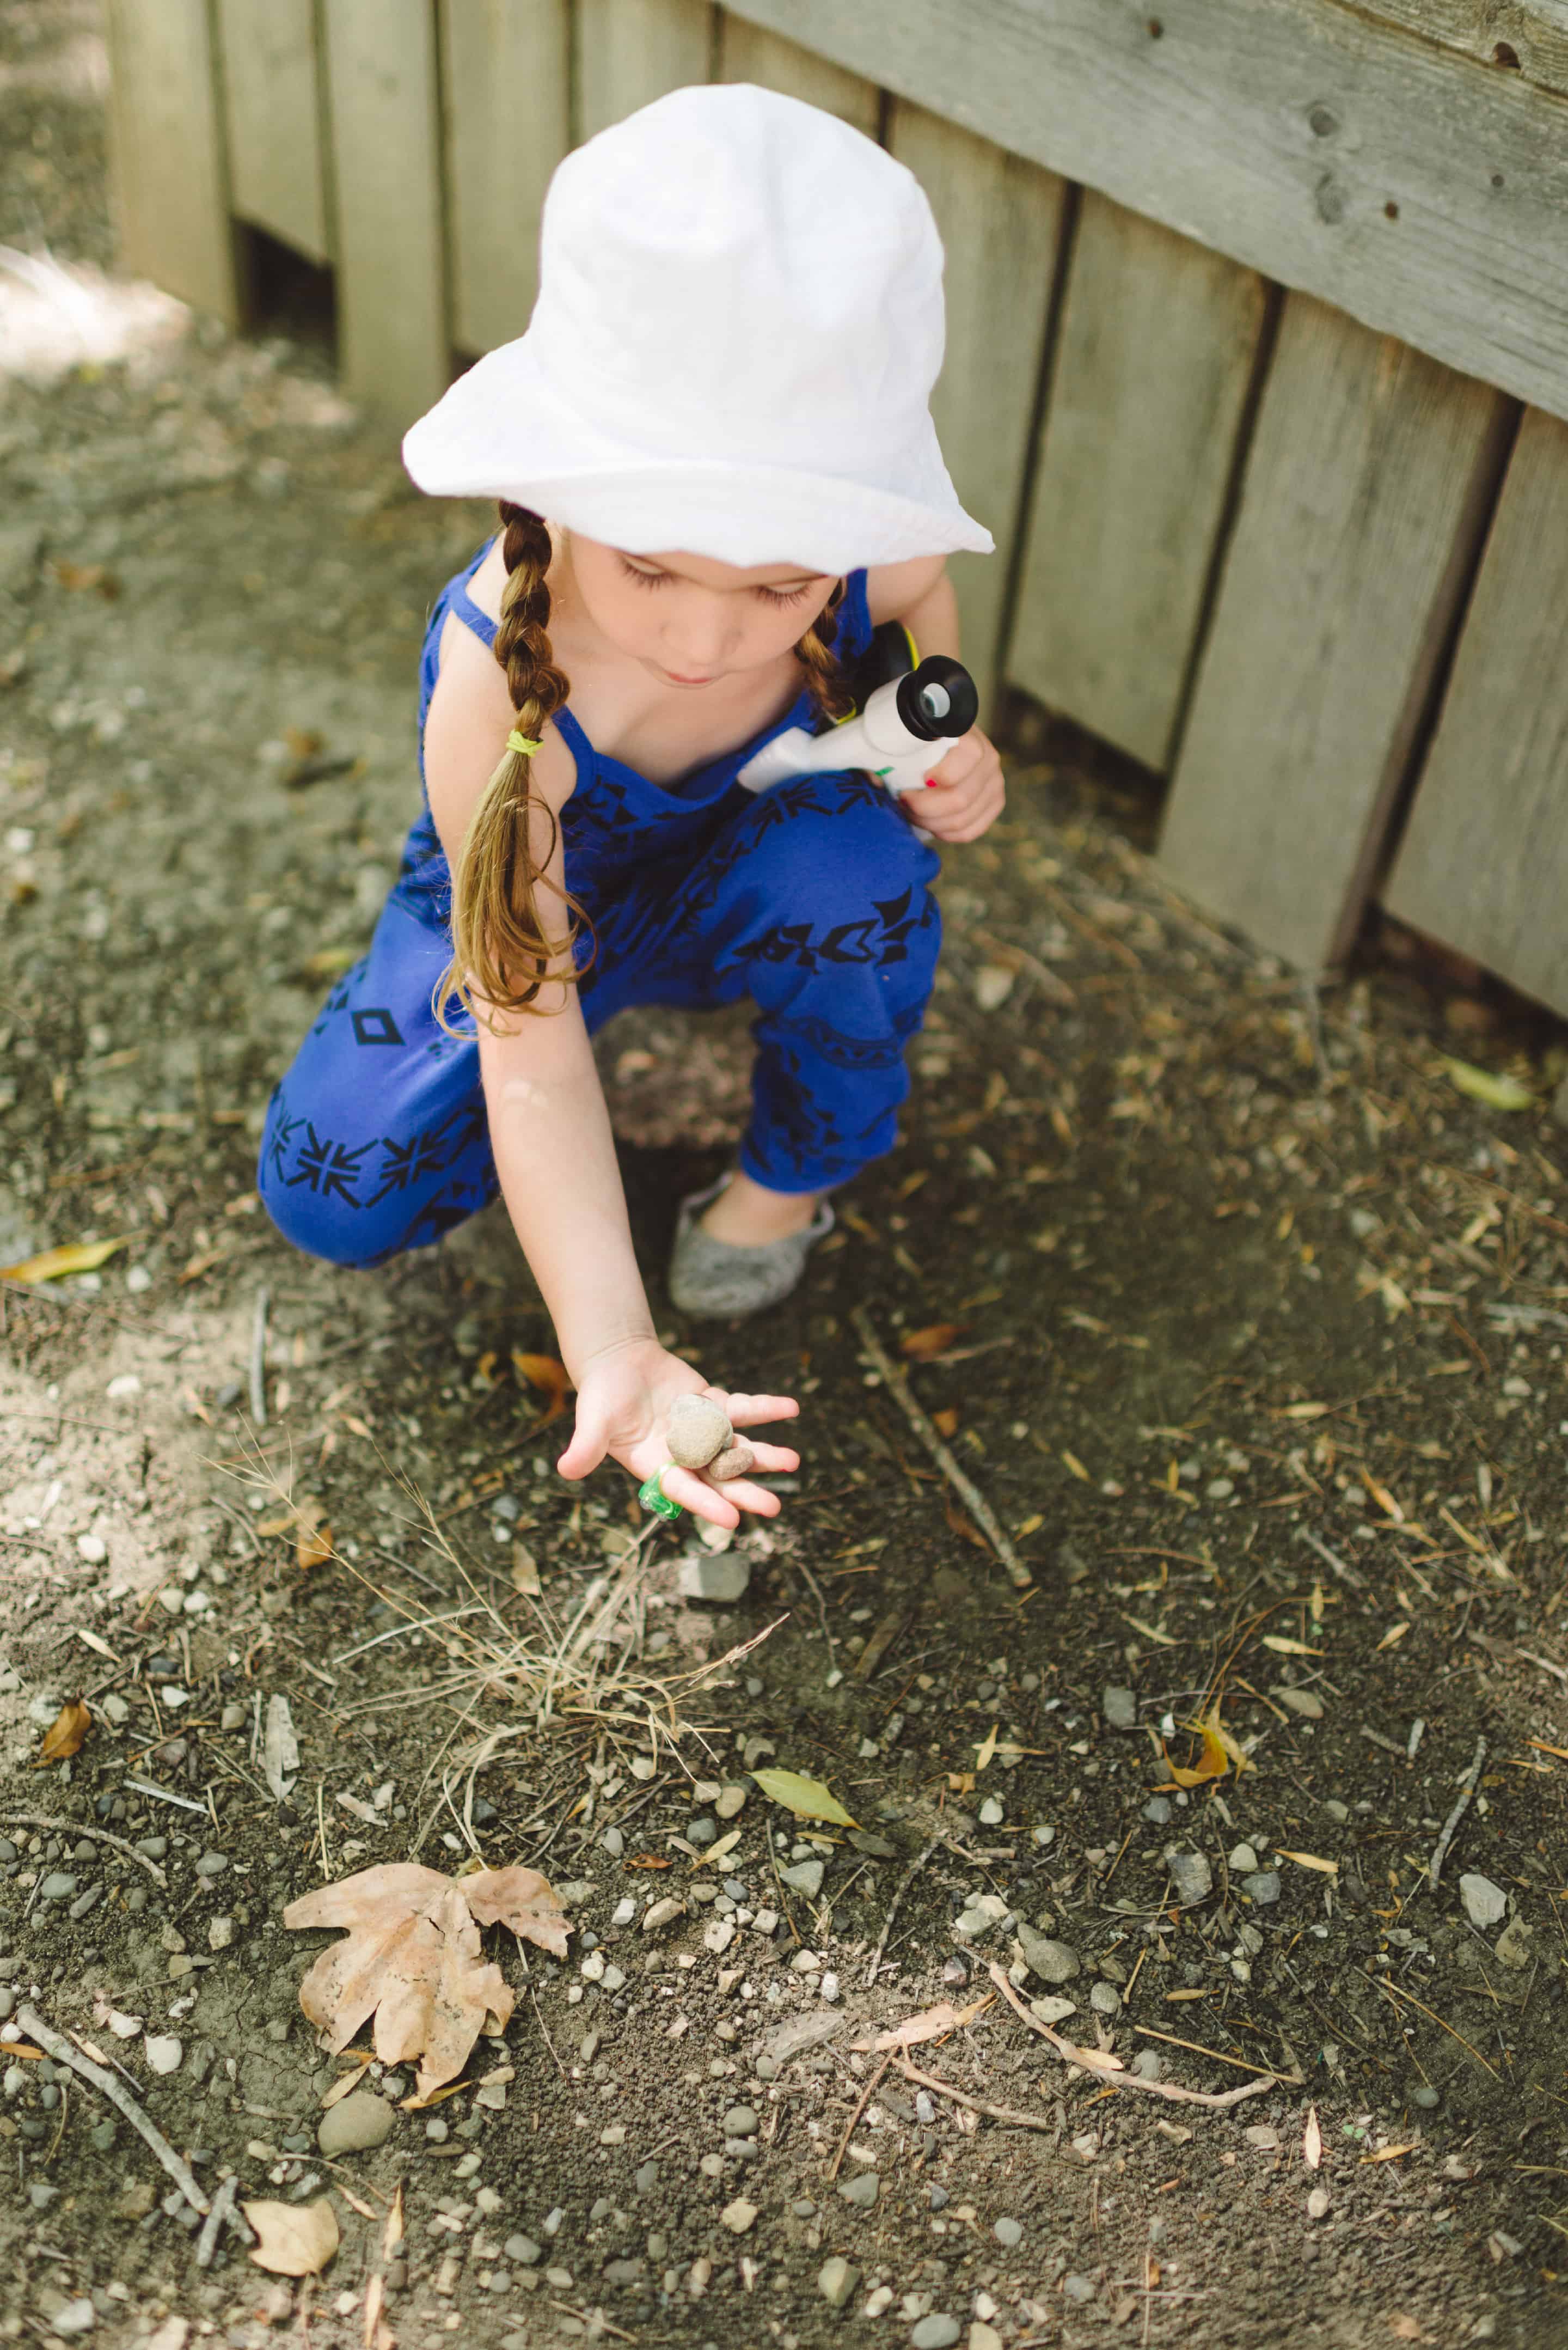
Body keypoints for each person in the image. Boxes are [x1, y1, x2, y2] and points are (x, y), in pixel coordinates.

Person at [258, 83, 1004, 1529]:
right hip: (532, 919)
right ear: (563, 490)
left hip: (751, 869)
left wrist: (941, 727)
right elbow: (526, 1033)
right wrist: (614, 1343)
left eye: (779, 586)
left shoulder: (861, 566)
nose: (714, 639)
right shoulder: (497, 675)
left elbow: (924, 611)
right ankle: (576, 1187)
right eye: (655, 569)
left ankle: (788, 1179)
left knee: (856, 875)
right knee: (330, 1184)